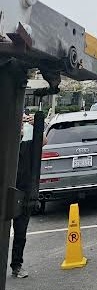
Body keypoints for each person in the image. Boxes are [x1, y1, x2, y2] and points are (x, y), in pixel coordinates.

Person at [11, 113, 46, 279]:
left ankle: (17, 265)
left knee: (20, 232)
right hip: (7, 191)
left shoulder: (28, 145)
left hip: (23, 192)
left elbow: (43, 142)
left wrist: (38, 126)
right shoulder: (7, 146)